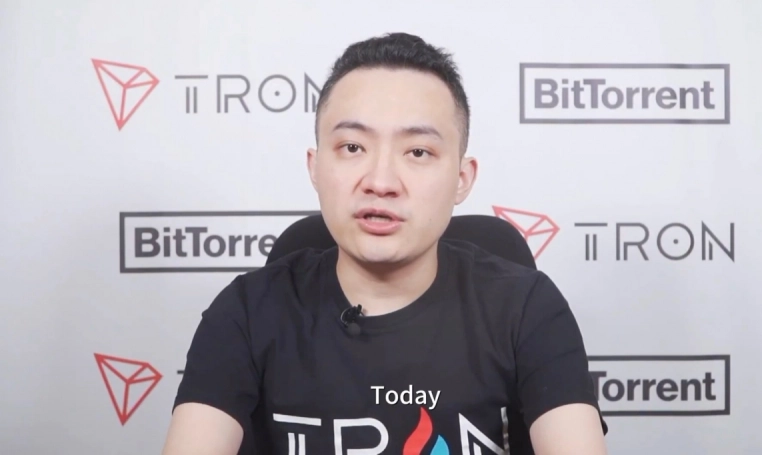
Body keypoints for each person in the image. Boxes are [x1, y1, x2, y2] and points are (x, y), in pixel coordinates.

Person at [161, 32, 608, 455]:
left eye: (418, 152)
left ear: (462, 178)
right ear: (315, 167)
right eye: (353, 147)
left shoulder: (526, 307)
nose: (380, 181)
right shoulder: (247, 311)